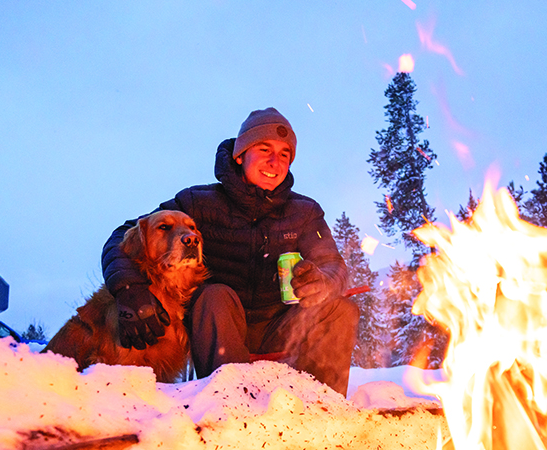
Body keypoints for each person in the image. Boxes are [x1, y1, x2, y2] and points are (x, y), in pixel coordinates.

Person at [101, 107, 359, 395]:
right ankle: (229, 407)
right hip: (217, 328)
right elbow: (124, 235)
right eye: (265, 149)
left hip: (281, 328)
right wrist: (129, 287)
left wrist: (321, 281)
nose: (275, 162)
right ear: (240, 155)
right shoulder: (198, 203)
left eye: (284, 154)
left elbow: (333, 265)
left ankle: (325, 410)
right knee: (214, 294)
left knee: (340, 310)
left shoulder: (305, 212)